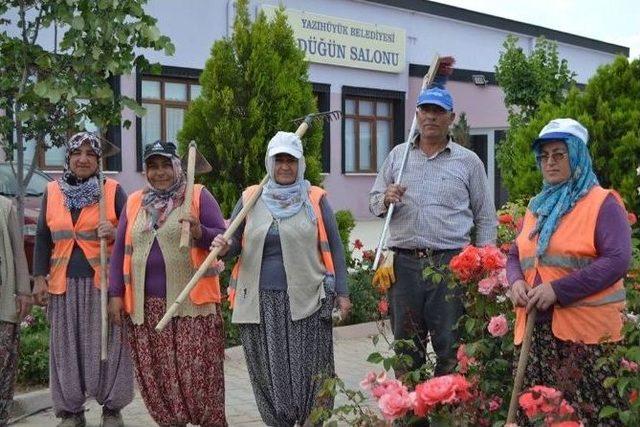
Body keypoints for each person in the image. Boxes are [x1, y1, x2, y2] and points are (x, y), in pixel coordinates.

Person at [211, 131, 351, 427]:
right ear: (269, 163)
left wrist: (343, 292)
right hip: (260, 301)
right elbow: (235, 241)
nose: (285, 166)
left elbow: (335, 246)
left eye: (291, 160)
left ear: (300, 164)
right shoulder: (251, 198)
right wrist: (225, 246)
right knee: (270, 371)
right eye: (279, 160)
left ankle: (312, 421)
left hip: (308, 300)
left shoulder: (314, 198)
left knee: (309, 370)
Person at [507, 118, 631, 425]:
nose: (549, 162)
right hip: (538, 333)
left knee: (587, 416)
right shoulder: (539, 205)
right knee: (541, 417)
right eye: (544, 155)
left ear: (576, 155)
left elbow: (617, 259)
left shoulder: (602, 203)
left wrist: (558, 290)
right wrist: (516, 282)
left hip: (585, 339)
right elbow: (515, 252)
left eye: (559, 154)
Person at [368, 84, 496, 376]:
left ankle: (446, 413)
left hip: (449, 264)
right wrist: (385, 198)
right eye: (426, 110)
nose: (431, 117)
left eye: (438, 112)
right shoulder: (398, 157)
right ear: (416, 114)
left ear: (450, 117)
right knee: (406, 352)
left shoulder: (468, 162)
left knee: (449, 348)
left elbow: (486, 218)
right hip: (404, 265)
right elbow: (373, 203)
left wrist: (485, 269)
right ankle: (409, 416)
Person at [108, 140, 227, 427]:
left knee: (198, 380)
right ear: (145, 170)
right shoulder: (135, 202)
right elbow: (120, 250)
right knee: (158, 380)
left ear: (177, 166)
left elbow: (226, 241)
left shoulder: (197, 196)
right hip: (145, 311)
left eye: (165, 165)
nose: (159, 172)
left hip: (191, 308)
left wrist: (200, 231)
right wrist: (115, 294)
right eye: (153, 166)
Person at [32, 132, 133, 427]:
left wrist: (114, 233)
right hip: (63, 285)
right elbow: (41, 238)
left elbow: (132, 234)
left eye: (90, 154)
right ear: (68, 158)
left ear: (99, 160)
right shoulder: (52, 192)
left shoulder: (112, 191)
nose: (83, 159)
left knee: (108, 346)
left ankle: (112, 409)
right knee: (66, 350)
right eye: (77, 153)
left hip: (102, 285)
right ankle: (72, 412)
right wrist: (39, 278)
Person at [0, 195, 32, 426]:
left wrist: (23, 290)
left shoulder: (4, 206)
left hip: (2, 298)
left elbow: (17, 250)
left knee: (4, 356)